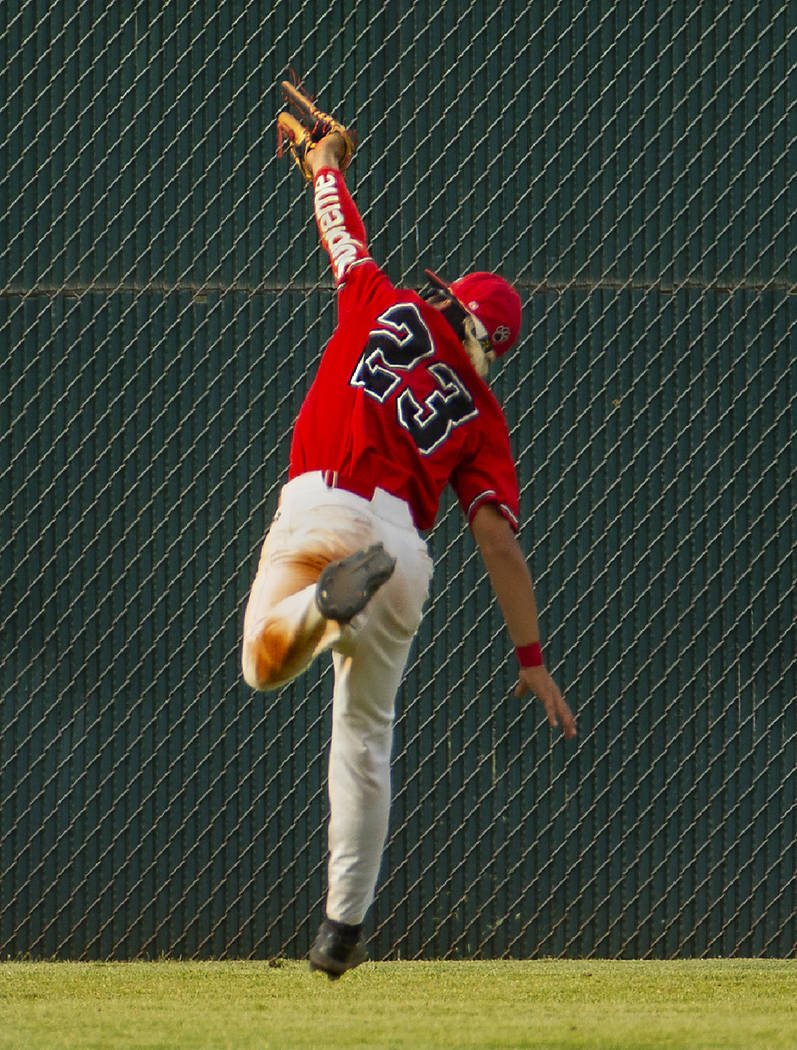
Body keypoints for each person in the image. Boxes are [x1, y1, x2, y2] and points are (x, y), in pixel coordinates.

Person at [242, 130, 576, 978]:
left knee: (261, 665)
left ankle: (317, 609)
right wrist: (530, 658)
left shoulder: (385, 302)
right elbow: (496, 539)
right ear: (492, 348)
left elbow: (341, 235)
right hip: (402, 545)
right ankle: (339, 931)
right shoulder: (483, 416)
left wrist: (324, 167)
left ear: (449, 303)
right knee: (364, 736)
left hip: (320, 499)